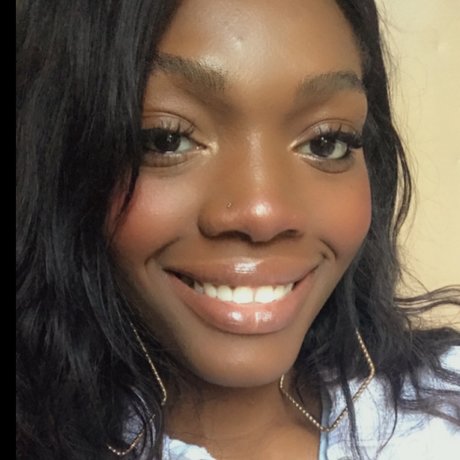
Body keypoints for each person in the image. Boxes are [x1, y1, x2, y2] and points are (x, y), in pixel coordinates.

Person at [16, 0, 460, 459]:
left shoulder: (443, 417)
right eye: (167, 139)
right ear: (62, 157)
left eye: (326, 141)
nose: (263, 214)